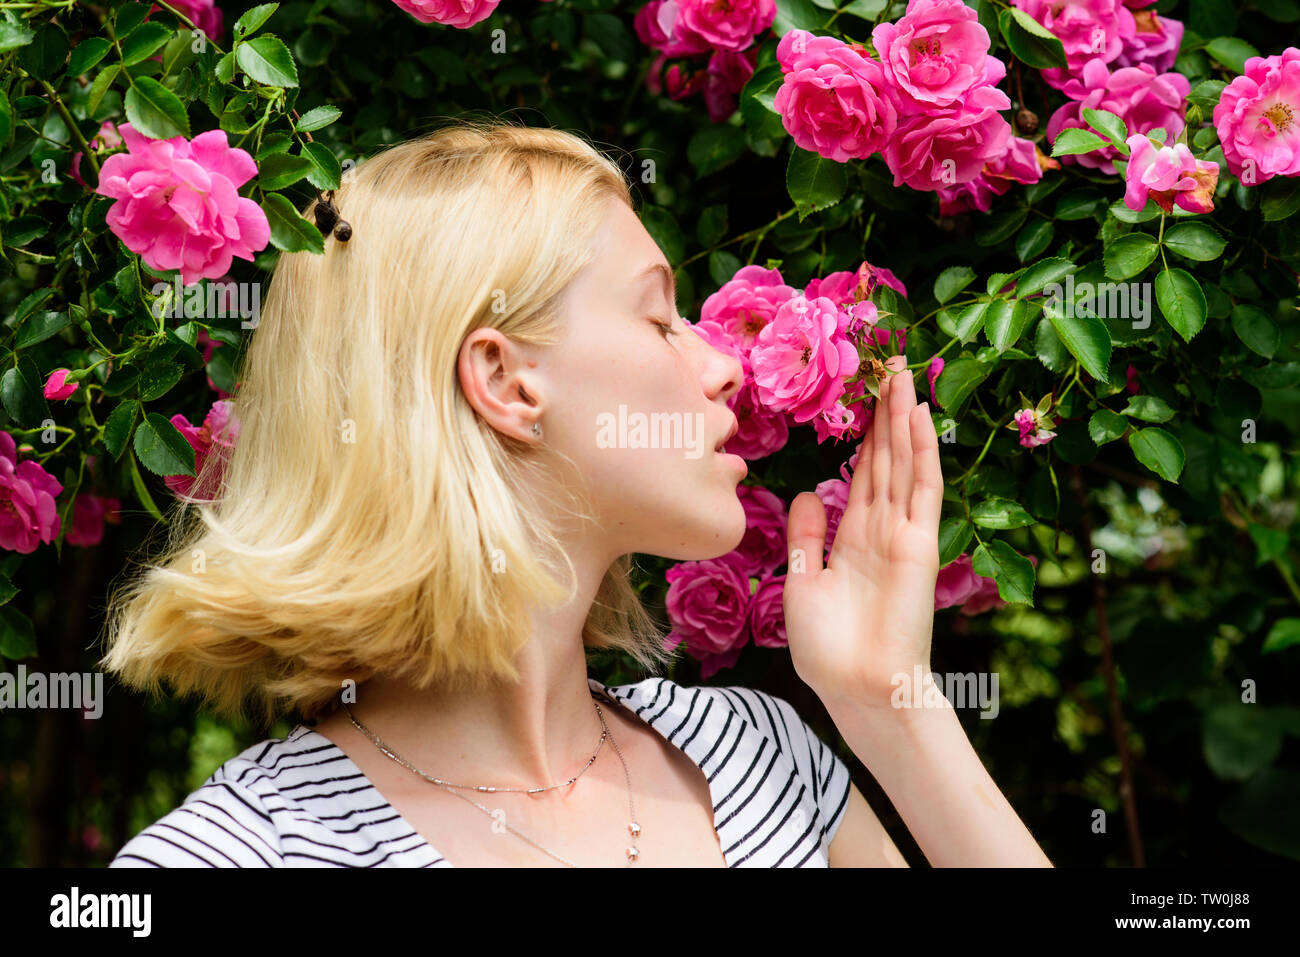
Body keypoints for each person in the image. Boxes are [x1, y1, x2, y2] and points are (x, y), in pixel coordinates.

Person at [102, 117, 1052, 868]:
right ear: (507, 381)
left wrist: (892, 708)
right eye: (658, 316)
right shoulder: (243, 854)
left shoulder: (763, 758)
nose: (723, 365)